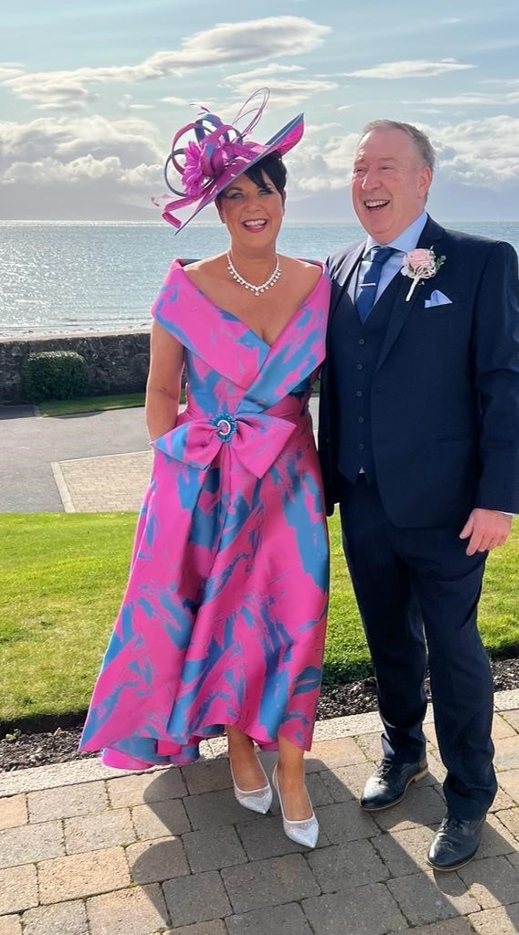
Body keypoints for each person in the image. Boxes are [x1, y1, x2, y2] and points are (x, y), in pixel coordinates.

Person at [80, 91, 330, 849]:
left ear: (284, 197)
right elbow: (161, 396)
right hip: (209, 489)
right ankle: (241, 744)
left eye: (265, 189)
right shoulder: (183, 286)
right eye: (235, 195)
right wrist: (182, 479)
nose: (253, 205)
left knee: (296, 627)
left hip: (290, 488)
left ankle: (293, 767)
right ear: (218, 209)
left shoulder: (321, 284)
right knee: (221, 626)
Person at [318, 119, 519, 870]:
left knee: (456, 650)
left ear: (423, 179)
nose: (367, 181)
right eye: (357, 167)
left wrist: (499, 497)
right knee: (388, 642)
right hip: (363, 500)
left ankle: (470, 793)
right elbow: (334, 384)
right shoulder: (335, 268)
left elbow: (502, 383)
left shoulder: (477, 262)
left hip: (450, 511)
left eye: (384, 167)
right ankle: (401, 751)